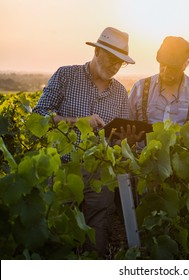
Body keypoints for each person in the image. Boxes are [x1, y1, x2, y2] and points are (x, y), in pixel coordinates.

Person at [33, 27, 140, 257]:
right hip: (62, 169)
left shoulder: (121, 93)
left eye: (120, 63)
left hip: (101, 175)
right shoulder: (66, 75)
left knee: (97, 236)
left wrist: (127, 140)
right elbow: (38, 116)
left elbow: (118, 142)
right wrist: (78, 122)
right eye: (112, 59)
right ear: (98, 51)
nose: (114, 67)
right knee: (58, 232)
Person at [128, 36, 189, 127]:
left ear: (186, 64)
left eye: (172, 67)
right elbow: (125, 126)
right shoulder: (139, 88)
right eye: (162, 65)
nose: (165, 71)